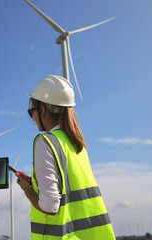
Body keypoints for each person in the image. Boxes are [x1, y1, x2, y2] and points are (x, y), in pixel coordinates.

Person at [16, 75, 115, 239]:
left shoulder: (45, 142)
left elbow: (50, 206)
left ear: (42, 110)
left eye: (31, 111)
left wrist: (27, 190)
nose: (32, 117)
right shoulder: (78, 145)